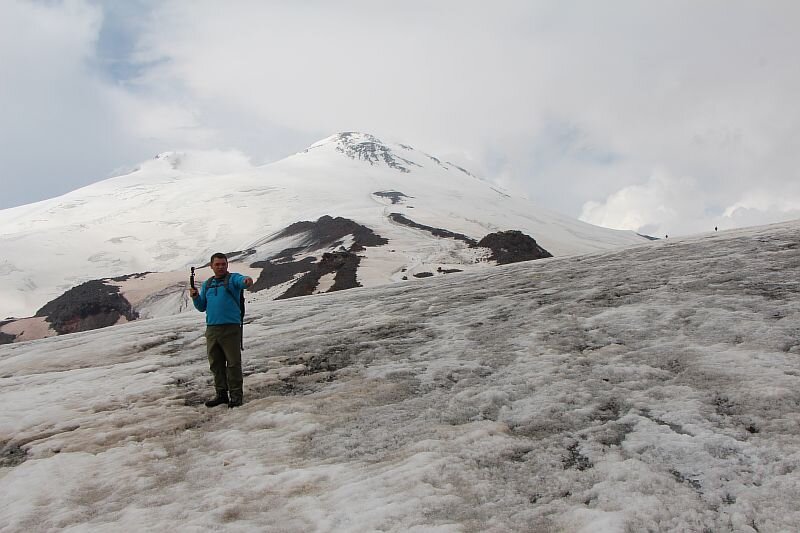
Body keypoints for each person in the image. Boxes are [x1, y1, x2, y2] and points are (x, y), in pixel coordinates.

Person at [189, 252, 254, 408]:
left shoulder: (233, 279)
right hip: (212, 329)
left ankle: (236, 397)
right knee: (216, 364)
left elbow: (243, 282)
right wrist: (195, 297)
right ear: (211, 266)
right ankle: (222, 395)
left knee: (233, 364)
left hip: (230, 328)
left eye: (223, 264)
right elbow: (202, 307)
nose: (220, 267)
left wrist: (247, 281)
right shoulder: (208, 284)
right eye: (217, 264)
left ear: (227, 265)